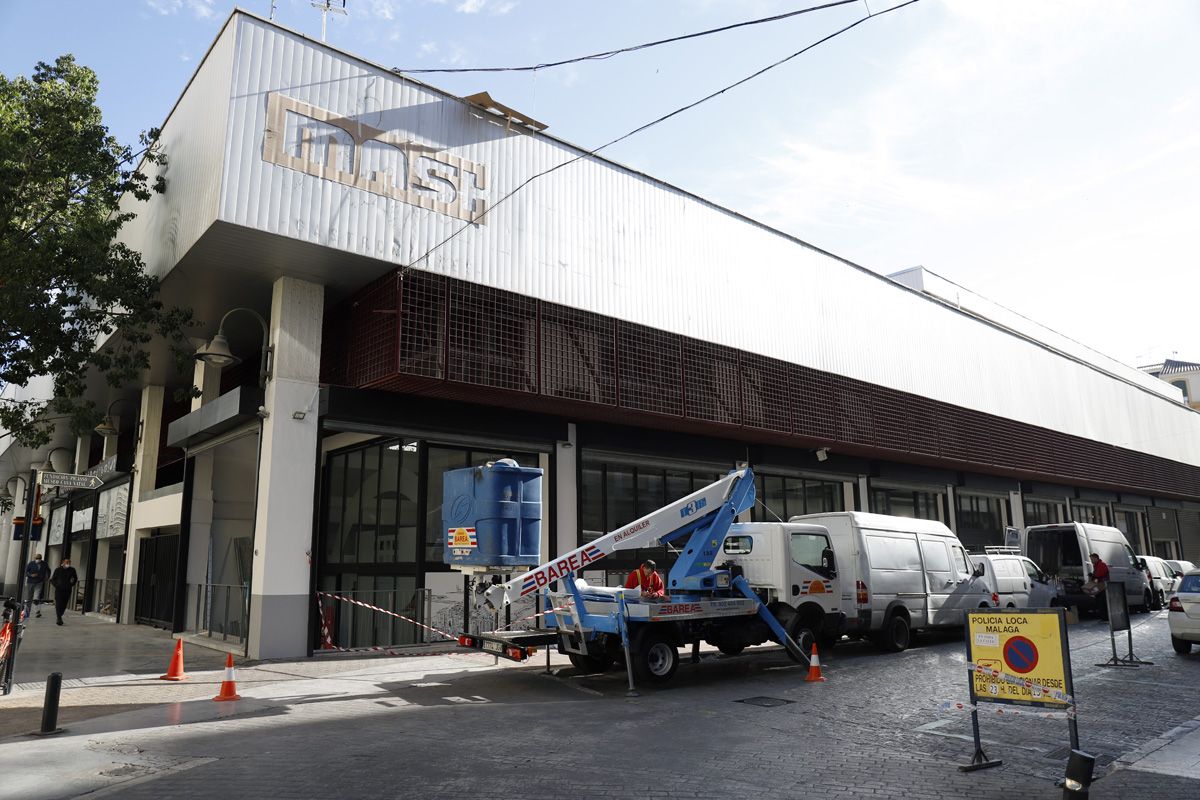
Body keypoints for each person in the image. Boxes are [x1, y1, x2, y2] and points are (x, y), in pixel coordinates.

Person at [49, 558, 79, 626]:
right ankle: (59, 618)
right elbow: (52, 579)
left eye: (69, 562)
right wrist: (56, 585)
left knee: (64, 604)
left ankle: (60, 614)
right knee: (59, 603)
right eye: (66, 562)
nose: (68, 563)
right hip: (59, 589)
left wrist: (71, 584)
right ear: (63, 562)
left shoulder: (72, 570)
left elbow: (75, 578)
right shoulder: (58, 570)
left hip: (67, 589)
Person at [23, 553, 50, 618]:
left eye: (39, 558)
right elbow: (26, 572)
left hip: (39, 582)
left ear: (41, 558)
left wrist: (47, 577)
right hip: (31, 582)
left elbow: (48, 571)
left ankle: (37, 612)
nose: (38, 559)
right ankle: (27, 612)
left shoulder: (44, 564)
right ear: (35, 558)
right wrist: (30, 575)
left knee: (36, 598)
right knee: (29, 598)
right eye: (37, 558)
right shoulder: (31, 563)